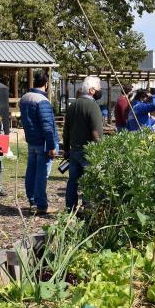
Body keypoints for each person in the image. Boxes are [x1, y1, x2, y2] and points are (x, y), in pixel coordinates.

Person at [20, 71, 59, 214]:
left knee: (31, 172)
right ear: (46, 84)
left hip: (31, 140)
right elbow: (47, 126)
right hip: (43, 142)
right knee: (42, 175)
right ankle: (41, 204)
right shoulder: (42, 101)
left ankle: (32, 200)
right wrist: (51, 146)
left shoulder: (24, 98)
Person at [63, 76, 104, 210]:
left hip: (74, 150)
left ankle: (70, 207)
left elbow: (66, 130)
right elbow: (96, 132)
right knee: (90, 181)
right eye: (99, 89)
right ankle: (87, 208)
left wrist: (66, 148)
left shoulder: (73, 105)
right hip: (89, 151)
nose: (100, 91)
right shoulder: (92, 106)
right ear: (92, 90)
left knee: (72, 181)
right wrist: (100, 150)